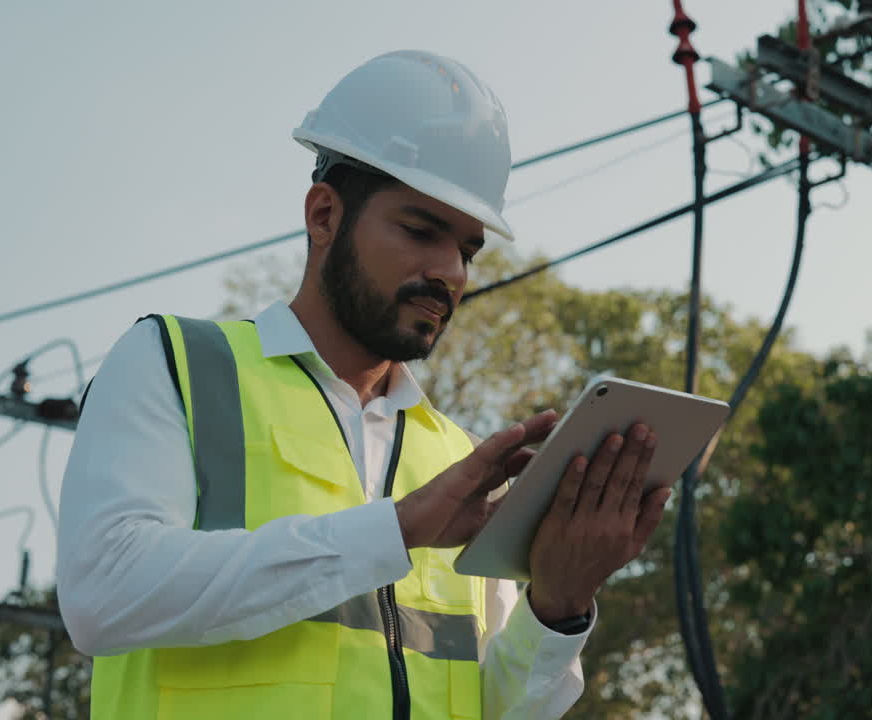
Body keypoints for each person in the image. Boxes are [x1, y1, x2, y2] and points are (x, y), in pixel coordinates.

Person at [56, 49, 672, 720]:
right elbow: (101, 596)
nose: (451, 272)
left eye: (468, 249)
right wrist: (397, 530)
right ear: (324, 216)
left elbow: (494, 709)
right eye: (420, 230)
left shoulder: (454, 459)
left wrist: (558, 603)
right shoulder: (175, 364)